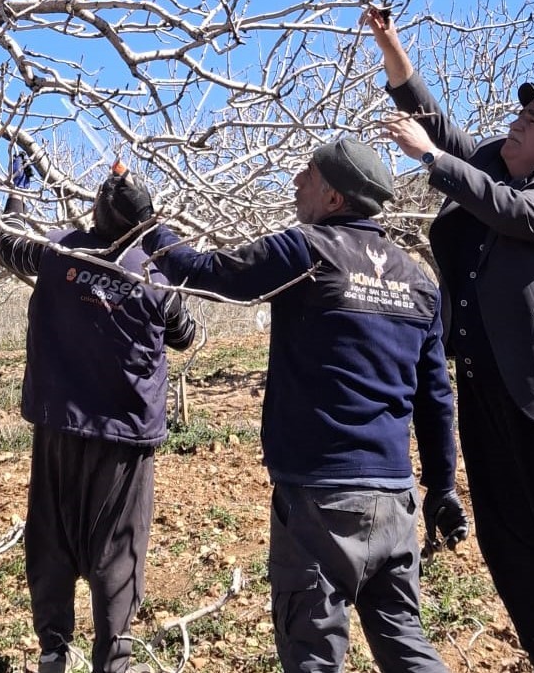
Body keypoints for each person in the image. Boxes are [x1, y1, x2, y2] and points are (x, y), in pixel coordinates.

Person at [365, 4, 534, 673]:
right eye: (520, 114)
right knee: (510, 543)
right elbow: (434, 120)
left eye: (533, 120)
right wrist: (392, 46)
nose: (516, 121)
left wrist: (430, 159)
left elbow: (508, 208)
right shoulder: (491, 166)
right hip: (485, 393)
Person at [121, 139, 464, 673]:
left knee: (312, 655)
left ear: (333, 197)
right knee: (405, 643)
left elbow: (208, 271)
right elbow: (436, 396)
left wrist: (148, 224)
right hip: (395, 501)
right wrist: (442, 487)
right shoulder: (419, 282)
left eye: (307, 174)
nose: (296, 182)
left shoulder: (307, 252)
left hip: (320, 501)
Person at [0, 162, 197, 672]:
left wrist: (15, 188)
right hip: (124, 440)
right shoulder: (155, 273)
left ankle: (53, 651)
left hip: (59, 426)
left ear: (96, 211)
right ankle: (112, 662)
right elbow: (185, 335)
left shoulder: (59, 251)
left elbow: (7, 239)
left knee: (51, 542)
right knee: (117, 554)